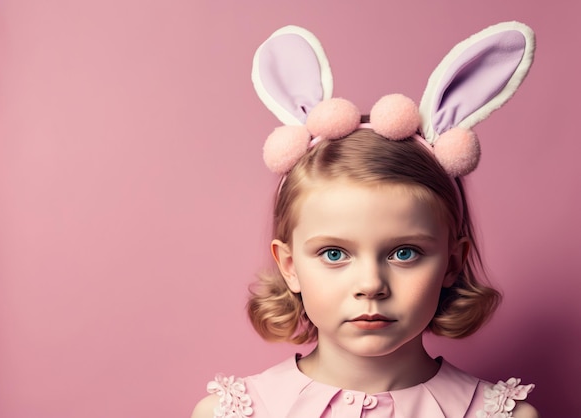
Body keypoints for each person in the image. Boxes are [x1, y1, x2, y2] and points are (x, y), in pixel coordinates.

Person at [192, 22, 539, 418]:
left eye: (404, 252)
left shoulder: (503, 415)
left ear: (453, 262)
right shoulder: (234, 413)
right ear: (289, 266)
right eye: (335, 254)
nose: (371, 285)